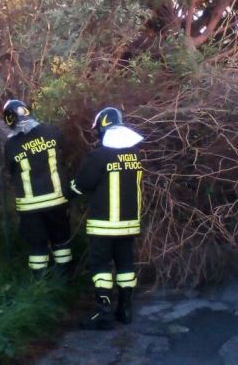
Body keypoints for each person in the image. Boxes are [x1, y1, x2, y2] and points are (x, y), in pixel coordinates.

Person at [69, 106, 145, 330]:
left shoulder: (98, 155)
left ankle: (103, 312)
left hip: (103, 226)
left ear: (102, 128)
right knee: (125, 265)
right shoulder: (135, 153)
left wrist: (68, 193)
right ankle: (125, 310)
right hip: (129, 224)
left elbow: (82, 185)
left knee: (101, 265)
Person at [2, 99, 73, 277]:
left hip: (30, 206)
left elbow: (10, 169)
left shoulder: (10, 145)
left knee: (37, 246)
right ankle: (64, 279)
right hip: (57, 200)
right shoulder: (51, 131)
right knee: (61, 241)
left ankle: (40, 283)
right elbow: (65, 152)